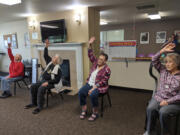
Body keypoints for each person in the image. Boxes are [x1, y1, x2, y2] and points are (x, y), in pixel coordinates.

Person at [144, 43, 180, 135]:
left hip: (174, 102)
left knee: (163, 112)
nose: (167, 64)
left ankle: (165, 133)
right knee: (150, 108)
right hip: (159, 97)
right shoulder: (163, 70)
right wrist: (162, 51)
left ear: (177, 63)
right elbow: (154, 60)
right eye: (166, 62)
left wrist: (168, 101)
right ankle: (149, 131)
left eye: (170, 62)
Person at [25, 39, 62, 114]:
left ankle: (39, 106)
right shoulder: (50, 62)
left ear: (57, 60)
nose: (53, 57)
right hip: (43, 80)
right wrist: (46, 46)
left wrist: (48, 82)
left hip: (51, 83)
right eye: (54, 57)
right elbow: (45, 55)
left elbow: (57, 80)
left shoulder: (58, 69)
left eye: (55, 57)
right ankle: (33, 103)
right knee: (33, 86)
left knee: (41, 89)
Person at [78, 37, 111, 121]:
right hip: (89, 84)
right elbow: (90, 54)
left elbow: (103, 82)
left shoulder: (107, 69)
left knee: (92, 94)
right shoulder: (95, 62)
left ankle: (95, 113)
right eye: (99, 58)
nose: (99, 60)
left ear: (105, 61)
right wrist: (89, 44)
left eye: (101, 60)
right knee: (81, 92)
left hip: (99, 87)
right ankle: (84, 110)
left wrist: (93, 88)